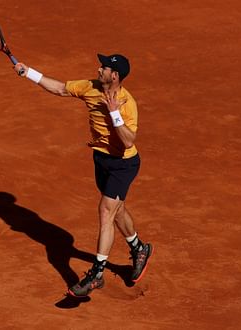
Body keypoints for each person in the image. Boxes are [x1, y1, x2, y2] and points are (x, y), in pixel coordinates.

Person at [14, 53, 152, 297]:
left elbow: (129, 140)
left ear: (115, 75)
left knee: (106, 211)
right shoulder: (90, 87)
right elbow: (60, 89)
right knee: (117, 209)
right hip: (101, 159)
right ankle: (139, 248)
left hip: (123, 164)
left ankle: (96, 275)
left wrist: (114, 113)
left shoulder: (126, 102)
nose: (99, 69)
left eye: (104, 67)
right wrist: (30, 73)